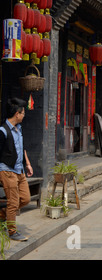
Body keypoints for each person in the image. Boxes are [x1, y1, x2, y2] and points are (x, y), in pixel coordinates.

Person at [0, 98, 33, 241]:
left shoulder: (19, 129)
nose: (24, 115)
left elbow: (21, 147)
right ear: (17, 114)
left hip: (20, 170)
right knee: (13, 202)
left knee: (25, 199)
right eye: (23, 112)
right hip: (7, 170)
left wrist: (28, 163)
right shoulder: (2, 131)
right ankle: (12, 232)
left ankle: (2, 214)